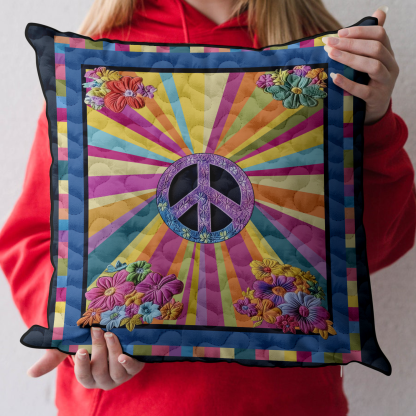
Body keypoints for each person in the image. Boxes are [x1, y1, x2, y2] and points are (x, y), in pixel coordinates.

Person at [0, 1, 414, 415]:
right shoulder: (100, 61)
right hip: (130, 402)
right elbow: (32, 240)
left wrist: (374, 121)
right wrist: (77, 338)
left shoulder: (328, 57)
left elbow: (370, 251)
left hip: (292, 403)